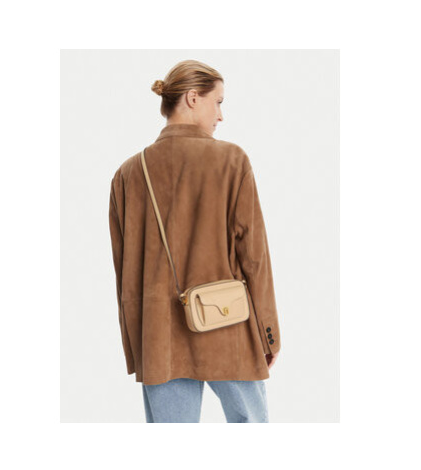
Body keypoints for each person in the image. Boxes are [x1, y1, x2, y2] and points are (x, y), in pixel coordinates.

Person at [108, 59, 281, 423]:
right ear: (192, 98)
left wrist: (138, 347)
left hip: (159, 336)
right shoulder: (231, 161)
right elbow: (255, 257)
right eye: (218, 102)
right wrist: (269, 334)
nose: (221, 115)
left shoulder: (128, 174)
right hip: (228, 324)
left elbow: (125, 274)